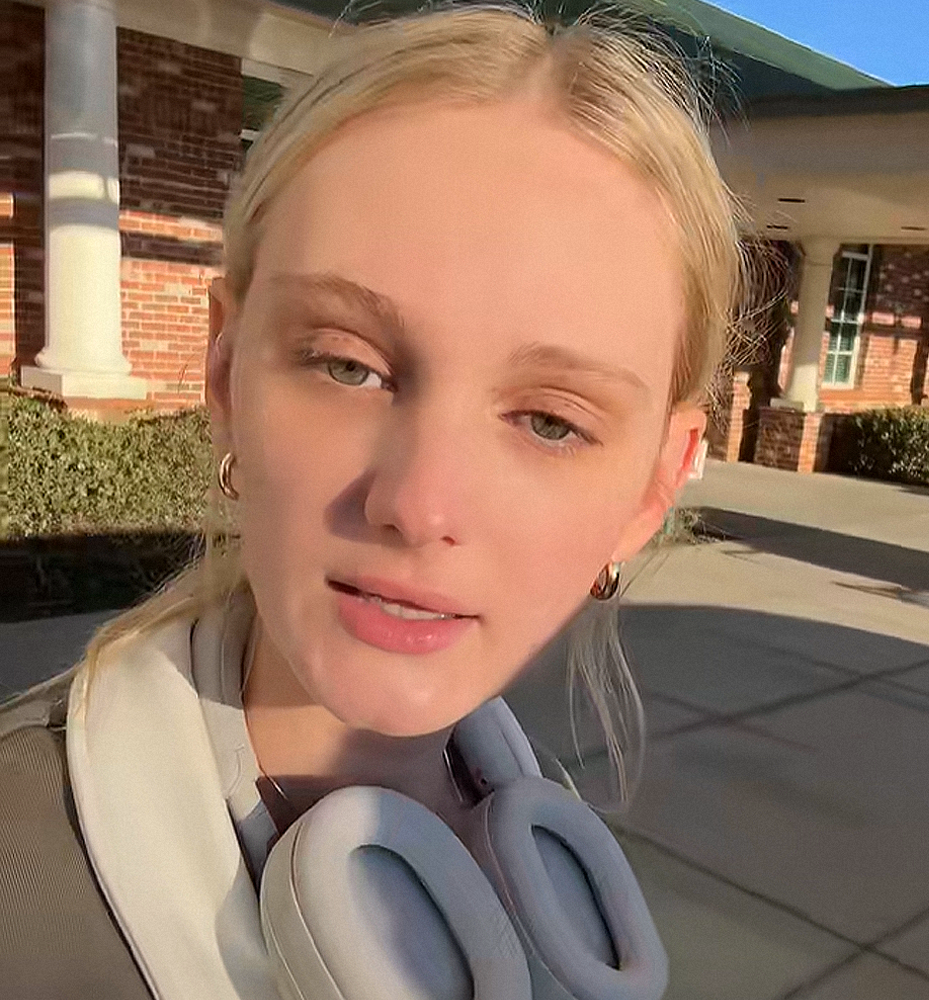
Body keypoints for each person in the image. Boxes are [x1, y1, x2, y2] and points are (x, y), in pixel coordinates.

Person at [0, 3, 742, 996]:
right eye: (347, 365)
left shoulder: (532, 852)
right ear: (226, 374)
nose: (418, 502)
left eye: (549, 421)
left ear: (654, 482)